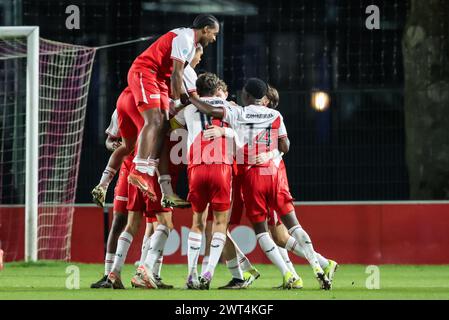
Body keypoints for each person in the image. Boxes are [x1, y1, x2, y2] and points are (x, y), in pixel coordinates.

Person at [188, 77, 332, 290]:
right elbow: (286, 144)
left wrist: (193, 99)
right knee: (291, 227)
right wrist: (271, 153)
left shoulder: (239, 112)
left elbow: (213, 112)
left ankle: (288, 274)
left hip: (249, 176)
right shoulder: (276, 115)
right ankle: (318, 267)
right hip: (274, 174)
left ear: (246, 95)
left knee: (262, 232)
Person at [127, 14, 220, 203]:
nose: (214, 38)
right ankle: (137, 170)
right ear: (206, 29)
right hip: (146, 72)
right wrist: (176, 101)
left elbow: (179, 76)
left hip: (158, 78)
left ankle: (146, 173)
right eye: (214, 33)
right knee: (154, 121)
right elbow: (177, 74)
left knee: (163, 124)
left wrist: (182, 98)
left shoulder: (192, 46)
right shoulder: (185, 38)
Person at [171, 73, 234, 290]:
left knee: (197, 222)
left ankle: (191, 274)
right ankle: (209, 272)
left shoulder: (189, 108)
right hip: (221, 166)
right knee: (219, 223)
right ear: (217, 88)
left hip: (196, 165)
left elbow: (171, 122)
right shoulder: (228, 106)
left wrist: (179, 105)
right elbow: (242, 132)